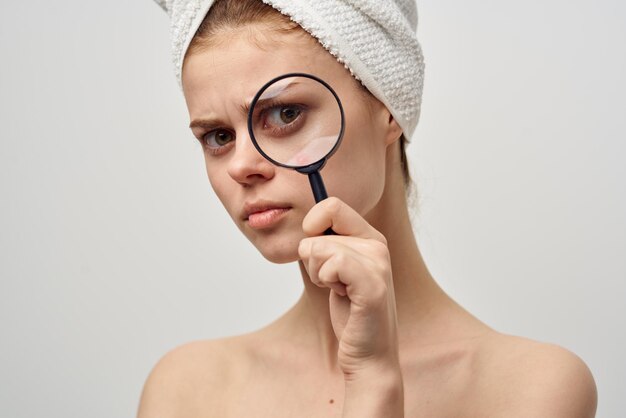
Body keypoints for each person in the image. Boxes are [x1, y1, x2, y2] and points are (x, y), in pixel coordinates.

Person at [138, 0, 597, 416]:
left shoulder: (530, 392)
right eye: (218, 137)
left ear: (389, 108)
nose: (241, 165)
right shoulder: (186, 392)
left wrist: (374, 379)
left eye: (284, 114)